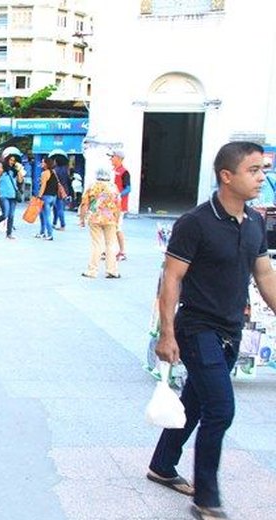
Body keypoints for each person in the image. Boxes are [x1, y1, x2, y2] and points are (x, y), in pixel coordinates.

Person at [148, 142, 276, 520]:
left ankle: (162, 464)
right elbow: (170, 279)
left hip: (230, 330)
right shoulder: (195, 222)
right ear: (227, 175)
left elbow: (265, 274)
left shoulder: (254, 222)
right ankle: (206, 496)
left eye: (263, 169)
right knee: (220, 409)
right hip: (197, 328)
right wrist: (167, 335)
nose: (261, 177)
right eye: (253, 170)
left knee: (196, 402)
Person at [78, 168, 120, 279]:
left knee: (96, 244)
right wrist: (117, 219)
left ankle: (92, 271)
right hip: (110, 218)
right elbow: (118, 205)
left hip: (94, 217)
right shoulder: (113, 187)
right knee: (110, 244)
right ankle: (112, 270)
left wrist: (82, 219)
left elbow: (84, 204)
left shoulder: (92, 186)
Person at [0, 147, 24, 240]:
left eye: (14, 160)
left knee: (11, 215)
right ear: (7, 159)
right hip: (4, 195)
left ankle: (9, 234)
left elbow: (20, 181)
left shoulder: (14, 171)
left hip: (13, 195)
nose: (12, 162)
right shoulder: (1, 169)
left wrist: (19, 170)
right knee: (5, 214)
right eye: (11, 160)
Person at [109, 149, 130, 260]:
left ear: (118, 158)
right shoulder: (112, 170)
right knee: (109, 227)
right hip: (110, 205)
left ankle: (122, 252)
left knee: (117, 228)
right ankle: (108, 250)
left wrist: (118, 195)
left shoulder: (124, 172)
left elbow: (128, 188)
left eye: (112, 156)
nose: (111, 159)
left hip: (119, 206)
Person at [37, 157, 58, 241]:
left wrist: (39, 196)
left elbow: (43, 186)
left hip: (46, 196)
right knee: (42, 215)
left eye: (43, 162)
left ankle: (49, 234)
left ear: (46, 164)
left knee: (46, 215)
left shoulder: (44, 173)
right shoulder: (54, 172)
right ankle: (42, 232)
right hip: (53, 197)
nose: (41, 164)